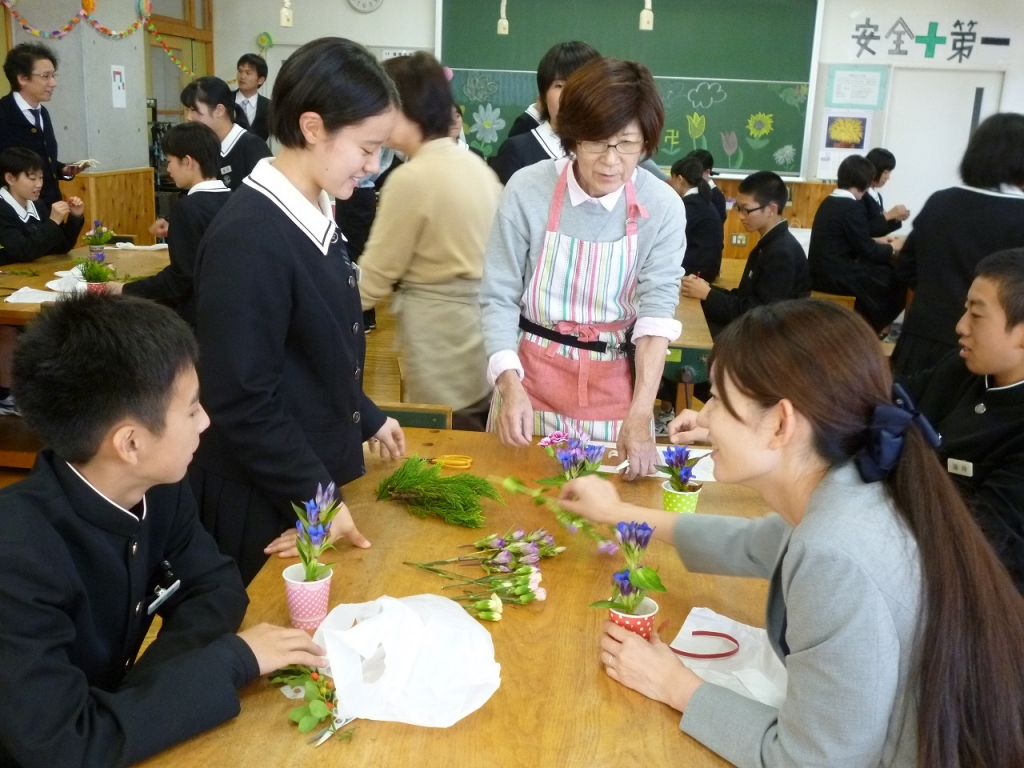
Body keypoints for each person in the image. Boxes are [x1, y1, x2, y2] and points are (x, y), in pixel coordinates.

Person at [561, 299, 1024, 768]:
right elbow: (745, 545)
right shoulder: (849, 486)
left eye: (717, 400)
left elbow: (812, 761)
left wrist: (674, 684)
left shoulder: (835, 553)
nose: (703, 418)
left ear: (781, 423)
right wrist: (618, 512)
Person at [0, 293, 328, 768]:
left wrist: (139, 702)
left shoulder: (156, 489)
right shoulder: (17, 559)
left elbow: (216, 586)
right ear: (130, 443)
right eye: (192, 410)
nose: (206, 421)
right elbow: (66, 746)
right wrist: (230, 661)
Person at [191, 37, 406, 585]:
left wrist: (365, 414)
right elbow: (241, 395)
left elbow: (310, 347)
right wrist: (319, 501)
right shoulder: (250, 235)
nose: (372, 166)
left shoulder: (315, 207)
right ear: (313, 128)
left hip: (304, 480)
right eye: (366, 148)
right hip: (265, 496)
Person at [481, 57, 685, 479]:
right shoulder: (527, 188)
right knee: (518, 500)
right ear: (572, 137)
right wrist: (508, 384)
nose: (611, 161)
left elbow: (655, 317)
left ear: (646, 143)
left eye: (627, 144)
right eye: (596, 143)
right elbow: (498, 294)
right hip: (530, 384)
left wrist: (641, 413)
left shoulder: (663, 205)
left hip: (617, 392)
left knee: (606, 508)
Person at [358, 53, 502, 431]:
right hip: (482, 335)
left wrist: (317, 310)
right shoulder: (475, 166)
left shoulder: (412, 178)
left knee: (443, 444)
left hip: (441, 340)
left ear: (405, 108)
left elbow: (375, 277)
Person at [900, 249, 1024, 592]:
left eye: (977, 315)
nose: (960, 326)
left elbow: (982, 542)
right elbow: (893, 396)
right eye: (965, 309)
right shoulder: (962, 368)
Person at [892, 112, 1024, 376]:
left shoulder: (940, 202)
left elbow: (906, 267)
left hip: (921, 337)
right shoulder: (1019, 214)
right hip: (985, 351)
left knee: (908, 400)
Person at [107, 123, 229, 328]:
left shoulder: (186, 208)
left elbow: (180, 279)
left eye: (170, 161)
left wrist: (125, 289)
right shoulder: (233, 199)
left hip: (197, 319)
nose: (168, 169)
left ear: (187, 161)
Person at [681, 170, 809, 337]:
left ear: (771, 209)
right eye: (738, 208)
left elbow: (761, 315)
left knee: (690, 331)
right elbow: (744, 297)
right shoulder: (770, 242)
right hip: (754, 325)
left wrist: (708, 294)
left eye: (746, 210)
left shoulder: (781, 252)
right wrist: (706, 288)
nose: (741, 216)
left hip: (771, 338)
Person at [808, 154, 905, 332]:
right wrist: (893, 247)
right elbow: (868, 251)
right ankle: (872, 329)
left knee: (882, 274)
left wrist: (877, 240)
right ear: (865, 183)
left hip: (821, 272)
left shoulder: (830, 201)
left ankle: (867, 326)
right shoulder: (851, 207)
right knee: (894, 278)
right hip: (835, 275)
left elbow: (852, 239)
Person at [490, 41, 600, 186]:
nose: (570, 95)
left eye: (581, 85)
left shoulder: (610, 153)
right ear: (543, 96)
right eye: (559, 85)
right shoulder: (516, 152)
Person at [0, 43, 83, 210]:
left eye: (53, 75)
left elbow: (41, 159)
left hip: (50, 209)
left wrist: (63, 170)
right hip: (15, 213)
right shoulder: (4, 113)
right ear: (22, 78)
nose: (53, 83)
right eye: (45, 76)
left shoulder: (42, 112)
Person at [181, 76, 271, 191]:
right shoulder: (202, 147)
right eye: (187, 110)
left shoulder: (253, 147)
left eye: (193, 110)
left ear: (219, 110)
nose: (188, 117)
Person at [0, 147, 84, 264]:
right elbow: (23, 252)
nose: (39, 184)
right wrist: (53, 222)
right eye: (32, 178)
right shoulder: (3, 210)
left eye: (40, 177)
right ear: (10, 178)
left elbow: (61, 247)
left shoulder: (37, 204)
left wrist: (74, 218)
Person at [669, 156, 722, 282]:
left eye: (672, 180)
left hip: (697, 273)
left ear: (680, 179)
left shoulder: (691, 204)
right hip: (704, 268)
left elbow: (670, 235)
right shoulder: (699, 200)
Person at [862, 147, 909, 237]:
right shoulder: (861, 195)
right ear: (873, 170)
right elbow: (863, 230)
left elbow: (878, 229)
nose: (888, 177)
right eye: (885, 172)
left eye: (889, 173)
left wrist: (895, 219)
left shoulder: (877, 196)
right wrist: (888, 215)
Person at [232, 53, 271, 142]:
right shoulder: (225, 99)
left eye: (248, 73)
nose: (242, 76)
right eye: (240, 71)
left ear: (260, 80)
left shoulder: (269, 107)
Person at [684, 149, 726, 222]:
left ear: (707, 172)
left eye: (694, 171)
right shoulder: (690, 189)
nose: (690, 174)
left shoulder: (716, 196)